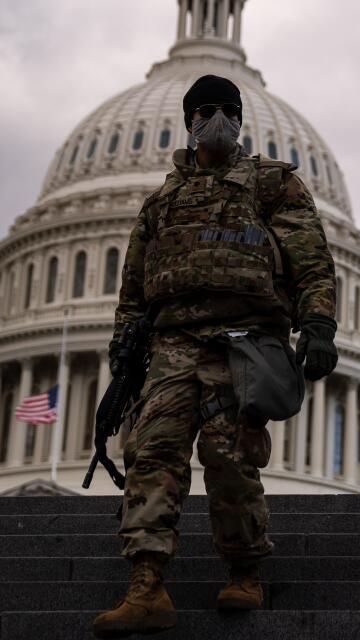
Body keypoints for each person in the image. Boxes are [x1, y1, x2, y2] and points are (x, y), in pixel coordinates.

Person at [93, 74, 338, 636]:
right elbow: (134, 288)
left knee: (228, 458)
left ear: (240, 120)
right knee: (150, 456)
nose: (218, 119)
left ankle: (244, 570)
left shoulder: (273, 184)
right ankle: (148, 585)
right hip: (173, 346)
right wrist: (123, 356)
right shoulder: (162, 201)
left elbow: (310, 259)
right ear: (189, 120)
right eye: (207, 110)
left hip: (243, 341)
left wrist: (319, 325)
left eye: (229, 109)